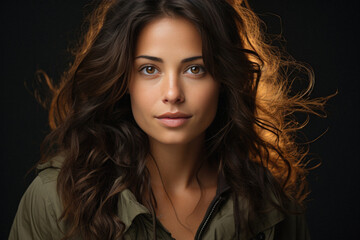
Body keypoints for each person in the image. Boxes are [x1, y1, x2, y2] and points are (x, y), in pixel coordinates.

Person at [9, 0, 327, 239]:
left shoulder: (271, 206)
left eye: (195, 69)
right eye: (150, 69)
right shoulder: (56, 198)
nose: (173, 93)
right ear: (123, 80)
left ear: (225, 80)